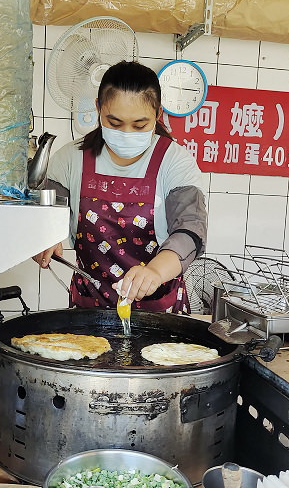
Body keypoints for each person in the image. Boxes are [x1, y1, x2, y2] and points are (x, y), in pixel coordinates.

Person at [33, 60, 207, 314]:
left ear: (158, 115)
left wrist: (155, 272)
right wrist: (42, 239)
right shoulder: (71, 158)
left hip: (158, 311)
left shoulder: (174, 161)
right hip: (88, 308)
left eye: (139, 125)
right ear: (98, 109)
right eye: (114, 123)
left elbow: (190, 231)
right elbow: (43, 214)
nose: (126, 133)